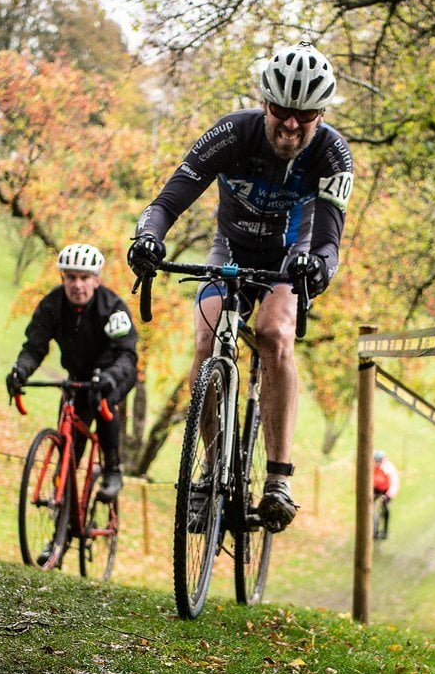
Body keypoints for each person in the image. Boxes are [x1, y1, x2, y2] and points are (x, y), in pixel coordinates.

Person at [127, 42, 354, 534]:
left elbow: (330, 239)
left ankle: (278, 479)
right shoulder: (231, 133)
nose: (291, 126)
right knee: (207, 341)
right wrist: (148, 237)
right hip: (229, 249)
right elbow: (168, 200)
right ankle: (210, 473)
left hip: (288, 258)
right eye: (280, 112)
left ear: (320, 114)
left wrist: (318, 268)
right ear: (265, 102)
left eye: (305, 115)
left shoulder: (333, 153)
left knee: (275, 334)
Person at [6, 243, 138, 505]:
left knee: (103, 402)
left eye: (84, 278)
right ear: (62, 278)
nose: (77, 285)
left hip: (114, 372)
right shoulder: (51, 305)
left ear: (96, 280)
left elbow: (127, 355)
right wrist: (20, 370)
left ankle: (113, 469)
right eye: (71, 277)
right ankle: (63, 517)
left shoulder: (112, 307)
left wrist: (111, 376)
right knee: (69, 448)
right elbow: (34, 348)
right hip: (77, 376)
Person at [372, 450, 400, 539]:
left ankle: (385, 531)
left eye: (379, 461)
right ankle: (374, 530)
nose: (377, 463)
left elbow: (394, 483)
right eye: (376, 461)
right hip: (376, 488)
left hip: (386, 490)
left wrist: (389, 495)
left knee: (385, 508)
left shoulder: (388, 468)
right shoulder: (373, 467)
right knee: (371, 508)